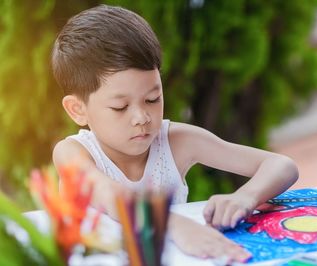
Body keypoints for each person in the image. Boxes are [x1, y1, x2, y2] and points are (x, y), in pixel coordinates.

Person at [51, 4, 298, 262]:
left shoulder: (177, 142)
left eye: (152, 98)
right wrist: (171, 223)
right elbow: (109, 195)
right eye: (120, 107)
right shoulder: (72, 153)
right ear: (77, 109)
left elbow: (281, 165)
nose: (141, 117)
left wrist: (245, 197)